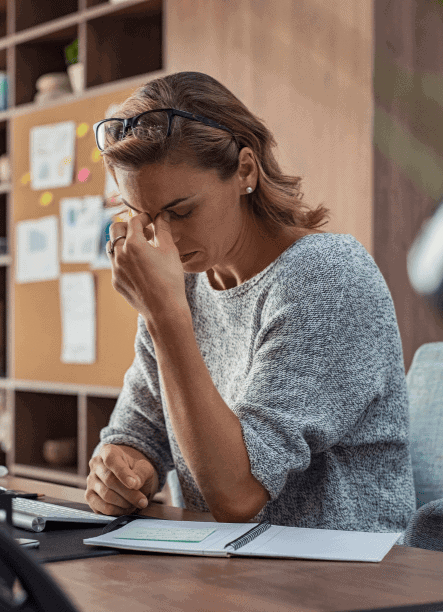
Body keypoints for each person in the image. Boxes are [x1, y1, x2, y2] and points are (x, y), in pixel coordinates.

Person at [85, 71, 415, 532]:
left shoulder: (326, 276)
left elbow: (237, 493)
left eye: (181, 211)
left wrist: (164, 315)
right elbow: (140, 431)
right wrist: (120, 470)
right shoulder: (184, 286)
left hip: (346, 581)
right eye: (143, 215)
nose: (165, 239)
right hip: (226, 571)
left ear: (245, 170)